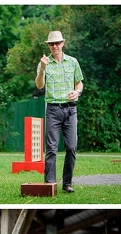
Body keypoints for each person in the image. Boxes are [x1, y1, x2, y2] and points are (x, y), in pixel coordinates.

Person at [35, 31, 84, 193]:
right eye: (51, 43)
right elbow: (39, 86)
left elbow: (79, 83)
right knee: (52, 149)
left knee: (71, 147)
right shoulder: (44, 63)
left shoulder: (73, 62)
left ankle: (67, 183)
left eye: (57, 43)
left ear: (63, 43)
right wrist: (42, 69)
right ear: (48, 45)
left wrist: (77, 92)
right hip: (53, 110)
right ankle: (50, 184)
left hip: (70, 110)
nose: (54, 46)